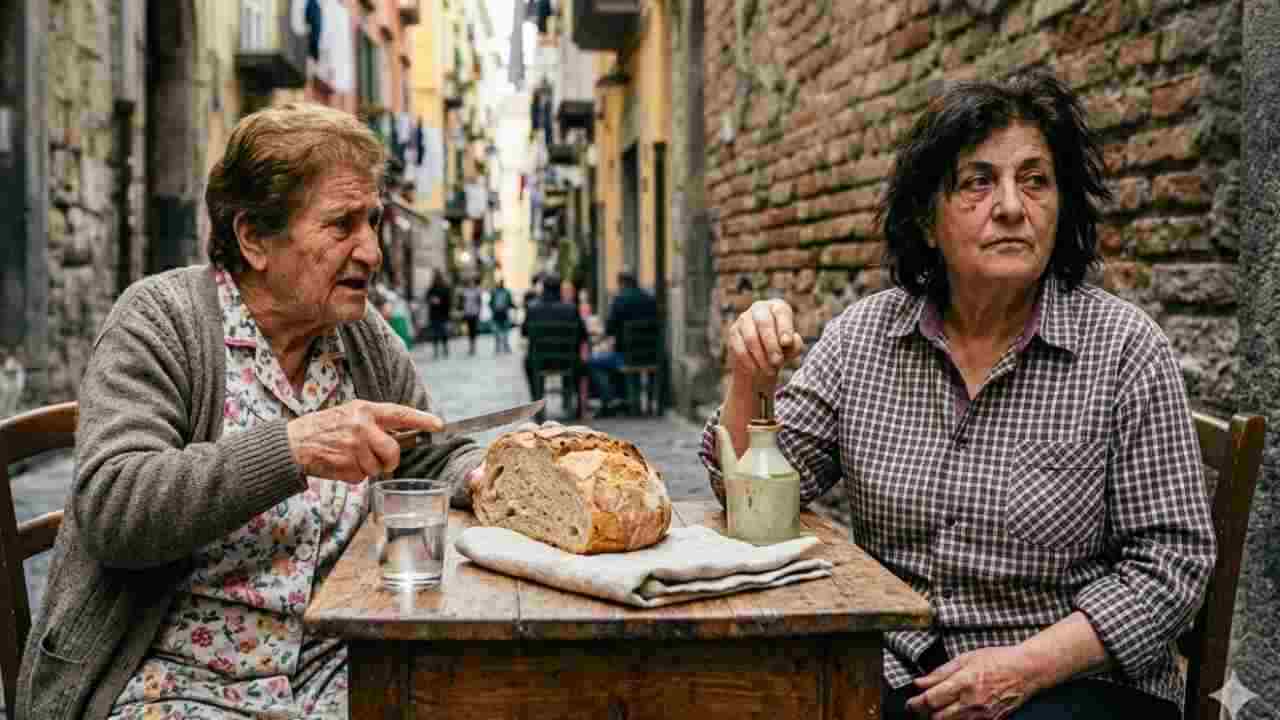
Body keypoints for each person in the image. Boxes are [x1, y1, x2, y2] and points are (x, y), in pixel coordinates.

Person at [700, 70, 1214, 719]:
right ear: (926, 217)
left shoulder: (1122, 349)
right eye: (978, 181)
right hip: (896, 670)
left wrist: (1023, 669)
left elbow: (1172, 567)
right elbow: (750, 493)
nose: (1010, 206)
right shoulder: (865, 337)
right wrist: (751, 377)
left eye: (1035, 181)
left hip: (1067, 682)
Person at [16, 103, 490, 720]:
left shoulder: (362, 337)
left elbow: (430, 450)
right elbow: (115, 507)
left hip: (337, 670)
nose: (371, 251)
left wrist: (482, 474)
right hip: (175, 679)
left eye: (372, 221)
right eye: (342, 225)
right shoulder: (162, 322)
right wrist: (290, 449)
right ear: (253, 239)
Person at [587, 270, 658, 417]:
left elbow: (609, 329)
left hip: (626, 357)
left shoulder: (619, 300)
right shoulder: (650, 300)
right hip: (651, 355)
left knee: (593, 361)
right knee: (612, 356)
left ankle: (611, 400)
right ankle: (627, 400)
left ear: (621, 284)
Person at [521, 274, 588, 422]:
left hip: (539, 362)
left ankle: (537, 401)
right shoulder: (570, 309)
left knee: (527, 363)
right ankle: (574, 406)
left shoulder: (532, 308)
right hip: (567, 362)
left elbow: (524, 332)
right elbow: (583, 335)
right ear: (559, 289)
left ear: (543, 289)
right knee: (581, 364)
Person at [426, 272, 452, 359]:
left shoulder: (444, 288)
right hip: (434, 315)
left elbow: (448, 302)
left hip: (442, 314)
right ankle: (437, 350)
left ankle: (444, 349)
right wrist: (431, 300)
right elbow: (427, 297)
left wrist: (440, 302)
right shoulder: (432, 288)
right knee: (435, 333)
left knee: (443, 333)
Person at [490, 278, 514, 355]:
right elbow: (491, 302)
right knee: (497, 331)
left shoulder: (506, 292)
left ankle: (504, 345)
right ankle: (499, 346)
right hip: (497, 314)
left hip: (503, 313)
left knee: (505, 331)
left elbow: (510, 302)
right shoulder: (494, 292)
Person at [461, 276, 483, 356]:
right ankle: (471, 346)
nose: (471, 284)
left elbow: (479, 302)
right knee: (469, 330)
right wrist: (463, 311)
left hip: (474, 313)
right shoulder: (465, 291)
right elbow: (462, 302)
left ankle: (473, 346)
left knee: (474, 330)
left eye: (472, 282)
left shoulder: (477, 291)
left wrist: (479, 312)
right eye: (470, 283)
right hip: (467, 313)